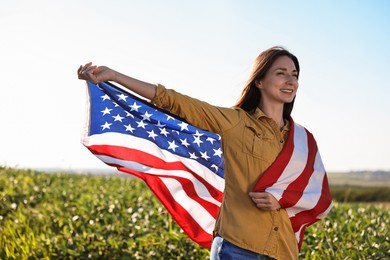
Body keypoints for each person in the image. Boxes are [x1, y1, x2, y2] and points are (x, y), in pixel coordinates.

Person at [78, 46, 331, 259]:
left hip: (283, 251)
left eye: (294, 75)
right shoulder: (236, 122)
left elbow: (317, 196)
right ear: (260, 81)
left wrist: (280, 198)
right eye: (281, 73)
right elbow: (175, 101)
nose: (290, 81)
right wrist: (114, 76)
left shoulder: (303, 140)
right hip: (238, 247)